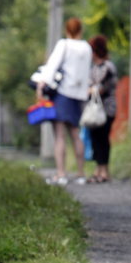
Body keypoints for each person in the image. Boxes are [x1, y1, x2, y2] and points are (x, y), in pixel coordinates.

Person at [36, 16, 92, 185]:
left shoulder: (64, 44)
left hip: (63, 94)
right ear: (80, 30)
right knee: (76, 134)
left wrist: (41, 85)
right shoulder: (87, 48)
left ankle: (61, 174)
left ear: (67, 30)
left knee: (59, 134)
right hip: (79, 95)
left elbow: (52, 66)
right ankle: (81, 173)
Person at [87, 34, 118, 183]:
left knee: (103, 138)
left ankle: (104, 170)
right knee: (95, 138)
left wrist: (90, 89)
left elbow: (101, 87)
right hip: (94, 109)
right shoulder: (93, 68)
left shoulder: (108, 67)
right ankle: (98, 168)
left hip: (107, 109)